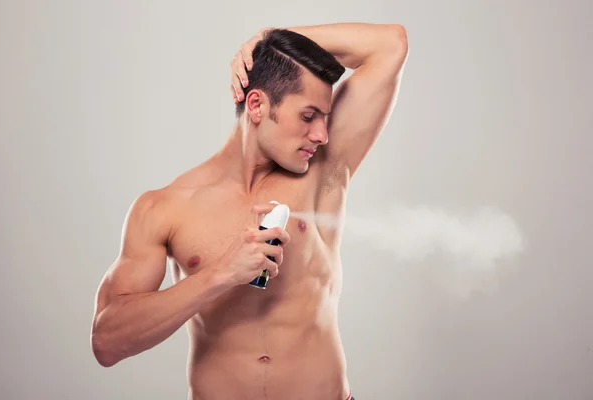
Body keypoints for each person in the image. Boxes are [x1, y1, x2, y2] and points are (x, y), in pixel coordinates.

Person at [90, 22, 408, 400]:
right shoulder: (164, 207)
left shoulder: (325, 167)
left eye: (324, 118)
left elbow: (390, 44)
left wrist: (268, 39)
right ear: (257, 105)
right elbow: (108, 342)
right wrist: (221, 274)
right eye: (308, 116)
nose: (322, 134)